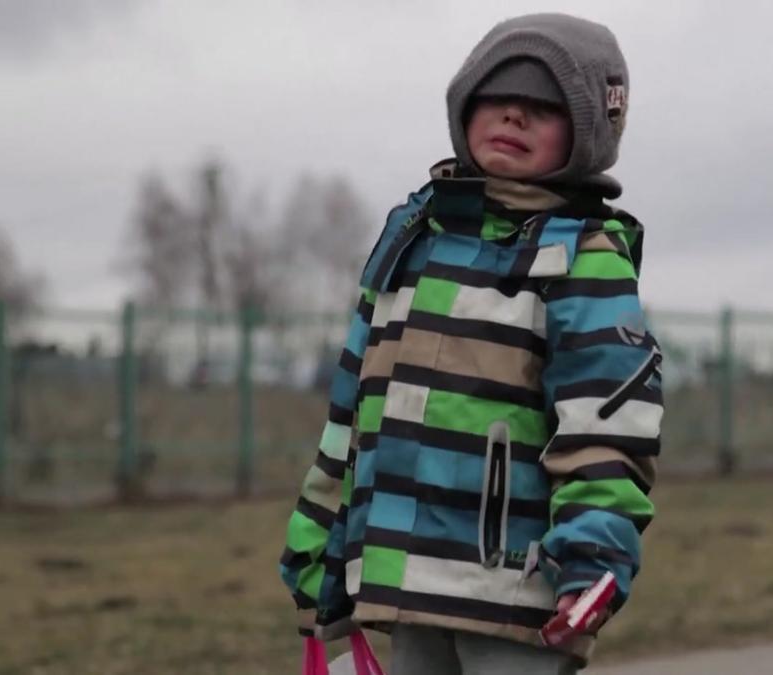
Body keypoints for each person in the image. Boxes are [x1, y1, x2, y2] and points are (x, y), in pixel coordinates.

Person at [279, 13, 663, 674]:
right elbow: (353, 410)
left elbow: (606, 424)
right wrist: (319, 535)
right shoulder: (410, 239)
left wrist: (596, 555)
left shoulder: (583, 257)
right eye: (497, 96)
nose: (514, 115)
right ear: (464, 105)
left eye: (543, 106)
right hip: (404, 581)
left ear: (589, 131)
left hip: (518, 594)